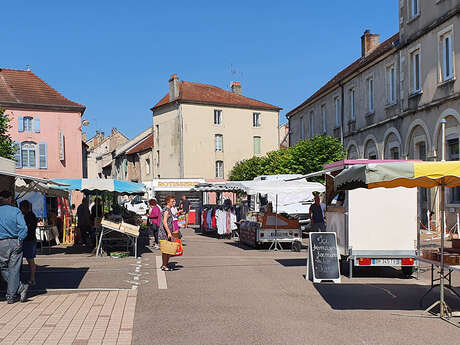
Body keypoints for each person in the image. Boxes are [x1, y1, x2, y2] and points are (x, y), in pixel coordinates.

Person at [0, 190, 29, 303]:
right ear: (10, 199)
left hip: (1, 243)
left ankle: (13, 294)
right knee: (14, 270)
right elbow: (24, 228)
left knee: (4, 269)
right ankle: (19, 289)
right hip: (14, 242)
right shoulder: (16, 211)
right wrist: (20, 240)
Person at [19, 200, 38, 286]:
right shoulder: (31, 215)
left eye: (21, 207)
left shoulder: (29, 216)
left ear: (24, 208)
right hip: (30, 240)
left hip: (28, 240)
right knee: (30, 260)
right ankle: (31, 279)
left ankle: (32, 279)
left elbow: (27, 229)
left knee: (29, 260)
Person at [158, 195, 175, 271]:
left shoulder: (168, 209)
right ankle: (164, 265)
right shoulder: (167, 210)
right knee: (166, 250)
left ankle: (164, 264)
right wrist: (169, 233)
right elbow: (165, 222)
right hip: (164, 233)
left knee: (166, 250)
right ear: (168, 202)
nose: (174, 203)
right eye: (172, 201)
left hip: (166, 232)